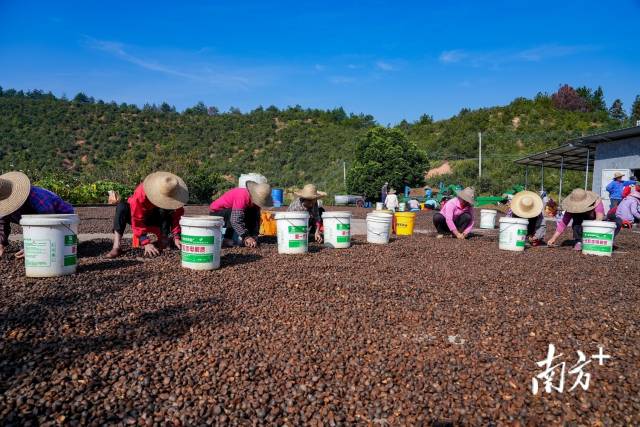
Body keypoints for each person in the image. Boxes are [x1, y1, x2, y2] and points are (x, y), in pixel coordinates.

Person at [107, 172, 188, 258]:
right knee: (121, 207)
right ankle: (116, 247)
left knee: (165, 210)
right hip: (137, 217)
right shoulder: (141, 193)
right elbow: (137, 219)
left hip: (157, 217)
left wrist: (177, 236)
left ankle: (164, 240)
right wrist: (145, 242)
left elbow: (177, 216)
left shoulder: (175, 193)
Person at [0, 171, 74, 259]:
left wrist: (32, 247)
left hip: (61, 219)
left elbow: (47, 224)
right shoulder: (5, 202)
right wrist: (1, 243)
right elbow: (2, 221)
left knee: (57, 248)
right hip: (35, 217)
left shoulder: (37, 198)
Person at [209, 180, 273, 248]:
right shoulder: (242, 196)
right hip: (217, 213)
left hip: (231, 213)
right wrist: (246, 237)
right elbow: (235, 220)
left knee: (253, 211)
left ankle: (247, 236)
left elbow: (256, 218)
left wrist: (254, 235)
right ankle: (227, 238)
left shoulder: (255, 204)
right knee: (234, 213)